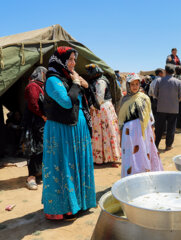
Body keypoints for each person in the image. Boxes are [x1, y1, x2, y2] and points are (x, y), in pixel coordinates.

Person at [42, 46, 96, 220]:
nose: (73, 63)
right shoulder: (53, 79)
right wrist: (76, 84)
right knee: (64, 166)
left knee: (79, 164)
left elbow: (88, 100)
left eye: (74, 59)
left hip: (76, 127)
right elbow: (66, 102)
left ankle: (79, 203)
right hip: (61, 129)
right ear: (60, 60)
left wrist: (86, 86)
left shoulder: (68, 77)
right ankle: (64, 208)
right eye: (70, 59)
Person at [118, 73, 163, 177]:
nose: (134, 87)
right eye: (132, 84)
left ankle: (145, 177)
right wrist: (120, 136)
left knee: (144, 153)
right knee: (131, 156)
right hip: (129, 133)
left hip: (144, 132)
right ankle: (132, 178)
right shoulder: (124, 100)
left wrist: (153, 130)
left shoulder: (144, 98)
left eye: (136, 84)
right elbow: (121, 121)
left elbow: (149, 116)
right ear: (128, 85)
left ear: (139, 85)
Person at [85, 64, 121, 165]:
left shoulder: (101, 82)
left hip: (102, 108)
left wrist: (91, 108)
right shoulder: (96, 81)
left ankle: (110, 157)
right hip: (99, 109)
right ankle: (101, 158)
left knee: (106, 131)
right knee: (100, 132)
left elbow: (99, 98)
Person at [23, 66, 47, 190]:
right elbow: (33, 104)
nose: (45, 77)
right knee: (35, 148)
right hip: (35, 122)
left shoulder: (38, 86)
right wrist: (42, 115)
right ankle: (31, 177)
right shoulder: (33, 86)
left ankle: (37, 173)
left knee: (40, 147)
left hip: (39, 122)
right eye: (43, 74)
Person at [154, 64, 181, 150]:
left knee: (159, 128)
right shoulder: (178, 82)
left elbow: (155, 95)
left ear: (165, 71)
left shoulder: (159, 81)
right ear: (173, 71)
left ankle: (156, 145)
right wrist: (174, 102)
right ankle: (168, 145)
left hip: (161, 109)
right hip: (173, 109)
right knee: (171, 128)